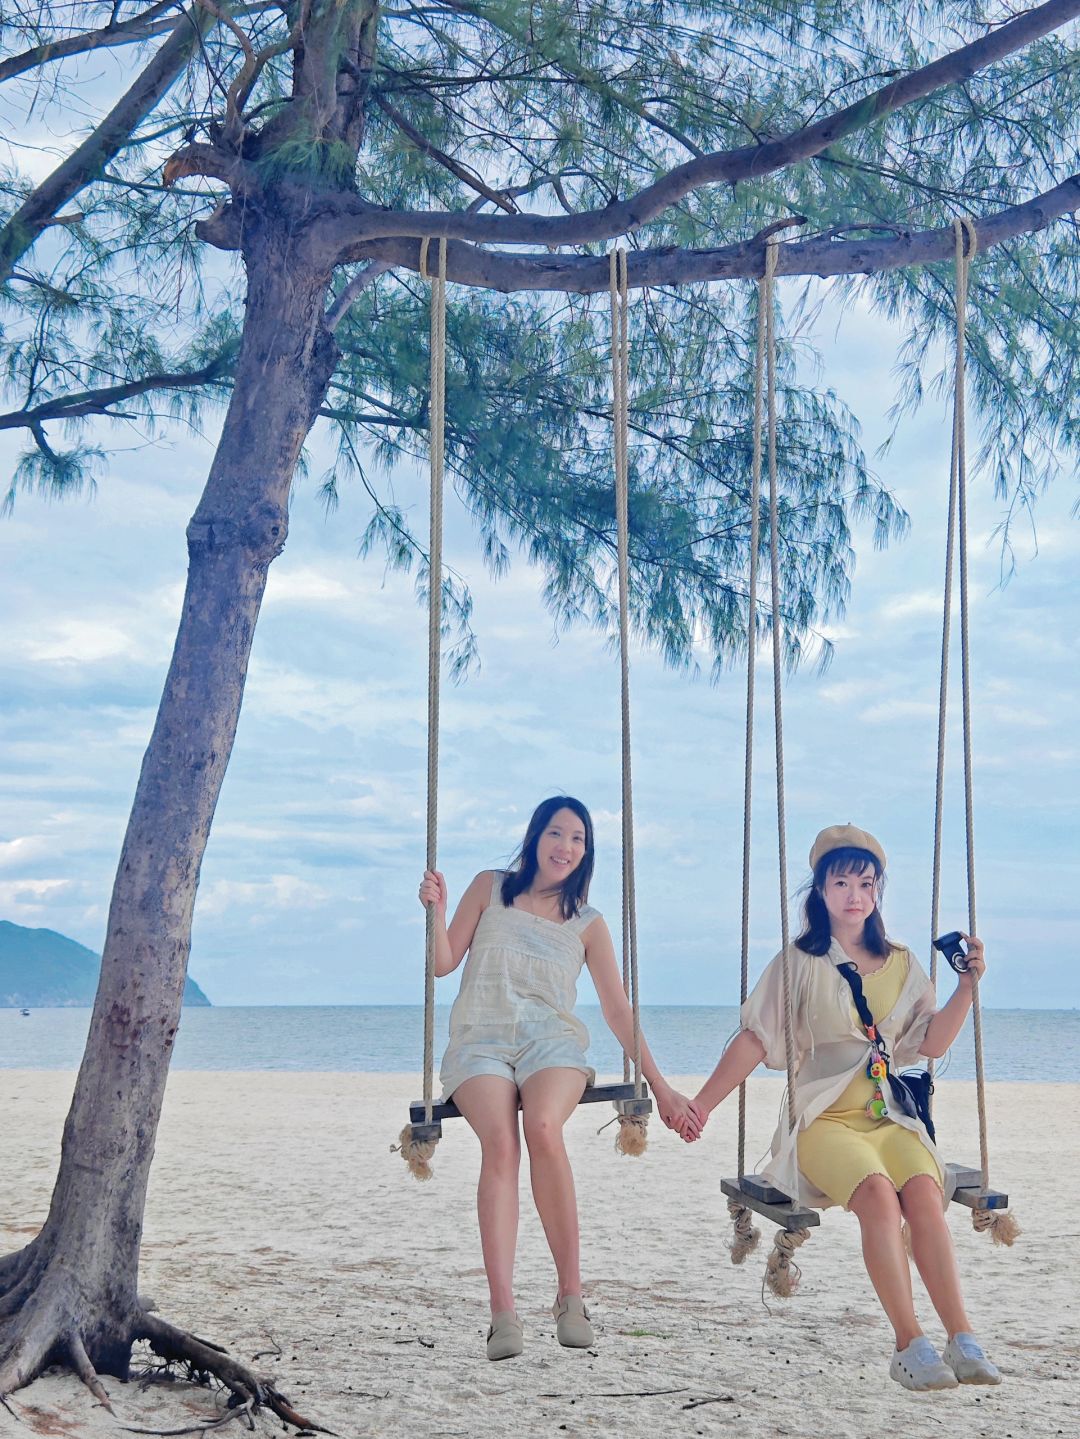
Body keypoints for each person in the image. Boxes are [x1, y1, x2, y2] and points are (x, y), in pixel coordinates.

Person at [689, 823, 1001, 1392]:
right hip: (823, 1121)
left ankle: (962, 1337)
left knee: (927, 1197)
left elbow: (928, 1043)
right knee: (880, 1196)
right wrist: (703, 1106)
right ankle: (910, 1343)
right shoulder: (799, 962)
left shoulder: (903, 963)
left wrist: (967, 987)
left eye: (866, 883)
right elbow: (756, 1039)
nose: (855, 895)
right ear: (821, 891)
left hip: (888, 1118)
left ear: (878, 891)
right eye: (841, 882)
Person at [418, 795, 702, 1361]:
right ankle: (503, 1312)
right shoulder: (490, 887)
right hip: (481, 1039)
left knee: (543, 1128)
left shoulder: (588, 924)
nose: (566, 847)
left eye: (578, 839)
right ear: (535, 836)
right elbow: (442, 963)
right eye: (557, 833)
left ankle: (570, 1296)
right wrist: (435, 909)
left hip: (551, 1040)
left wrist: (662, 1088)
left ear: (586, 852)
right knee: (500, 1144)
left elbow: (618, 1011)